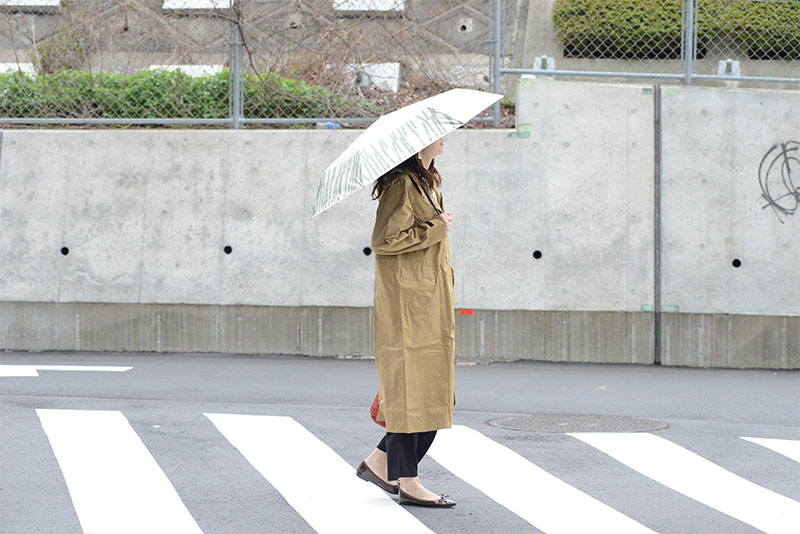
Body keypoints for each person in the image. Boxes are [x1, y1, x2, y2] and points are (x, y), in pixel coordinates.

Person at [355, 137, 456, 508]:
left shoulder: (426, 180)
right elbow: (385, 240)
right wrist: (435, 226)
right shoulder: (402, 183)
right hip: (407, 305)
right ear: (416, 144)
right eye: (436, 133)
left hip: (427, 301)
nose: (444, 137)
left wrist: (435, 224)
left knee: (428, 392)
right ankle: (408, 481)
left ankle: (380, 463)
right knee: (411, 392)